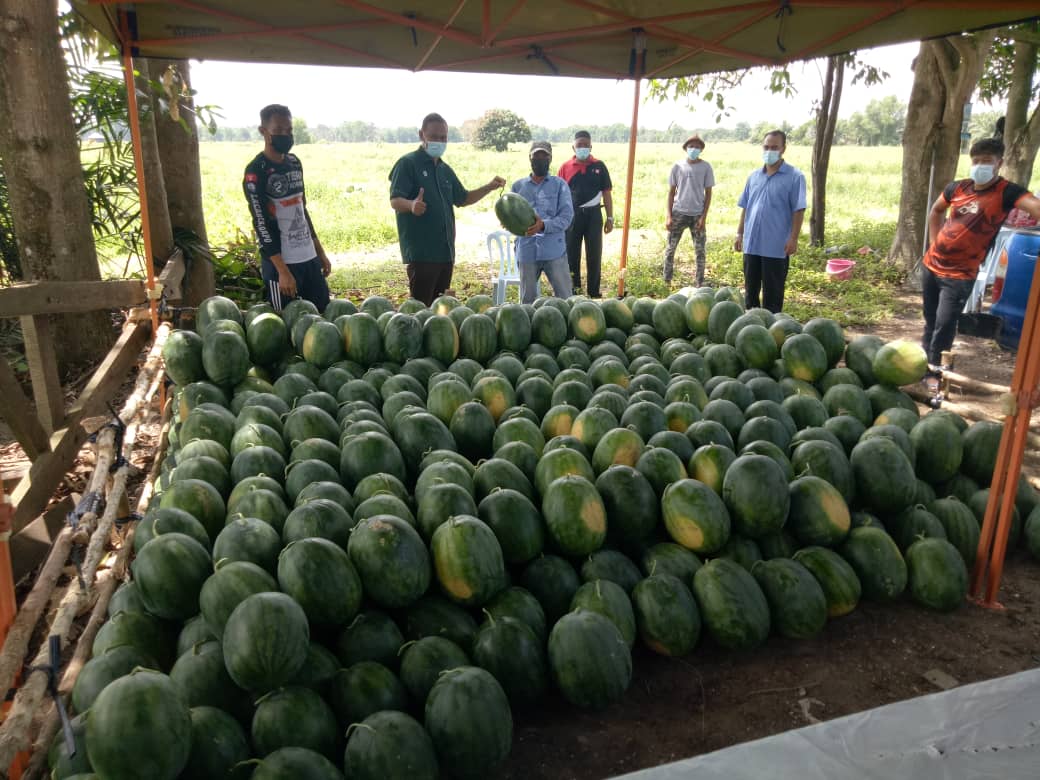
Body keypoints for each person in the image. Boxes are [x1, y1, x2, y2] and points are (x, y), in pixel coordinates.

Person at [921, 137, 1040, 368]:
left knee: (944, 325)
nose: (980, 166)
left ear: (999, 163)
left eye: (986, 161)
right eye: (976, 161)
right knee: (930, 320)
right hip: (932, 266)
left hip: (959, 275)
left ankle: (936, 371)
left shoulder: (1007, 192)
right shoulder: (957, 187)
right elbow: (936, 211)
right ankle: (924, 364)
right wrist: (934, 243)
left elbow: (1035, 207)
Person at [389, 113, 505, 305]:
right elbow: (394, 200)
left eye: (443, 138)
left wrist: (489, 187)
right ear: (421, 135)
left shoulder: (444, 170)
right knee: (421, 309)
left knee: (440, 310)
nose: (439, 142)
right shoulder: (408, 164)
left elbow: (463, 198)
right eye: (434, 137)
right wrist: (411, 205)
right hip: (422, 253)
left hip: (445, 253)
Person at [243, 103, 331, 312]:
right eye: (279, 130)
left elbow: (303, 211)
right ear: (264, 132)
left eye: (289, 130)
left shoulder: (294, 163)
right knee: (287, 324)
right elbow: (261, 224)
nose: (286, 135)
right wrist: (282, 271)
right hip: (282, 264)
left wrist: (320, 252)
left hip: (308, 258)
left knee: (324, 316)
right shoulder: (256, 172)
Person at [734, 130, 806, 313]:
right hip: (752, 244)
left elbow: (799, 209)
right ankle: (751, 328)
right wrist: (740, 233)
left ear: (783, 149)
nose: (770, 150)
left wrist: (793, 238)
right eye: (767, 147)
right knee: (750, 294)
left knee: (773, 295)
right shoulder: (754, 176)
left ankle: (772, 332)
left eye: (775, 147)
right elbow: (746, 206)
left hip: (776, 247)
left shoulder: (794, 177)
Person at [511, 141, 574, 304]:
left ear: (550, 159)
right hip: (527, 251)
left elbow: (567, 217)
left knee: (565, 299)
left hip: (554, 251)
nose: (540, 159)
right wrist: (510, 223)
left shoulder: (560, 185)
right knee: (527, 302)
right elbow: (511, 216)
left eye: (544, 156)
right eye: (536, 156)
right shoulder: (518, 187)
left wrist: (543, 225)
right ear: (530, 159)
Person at [558, 130, 614, 297]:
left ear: (591, 146)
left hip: (594, 216)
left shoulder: (599, 166)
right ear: (573, 147)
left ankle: (594, 293)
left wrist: (610, 218)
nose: (582, 147)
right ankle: (574, 292)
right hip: (572, 217)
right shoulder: (565, 167)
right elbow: (558, 194)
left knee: (594, 255)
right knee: (571, 256)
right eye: (579, 145)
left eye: (585, 145)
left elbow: (607, 193)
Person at [664, 134, 715, 286]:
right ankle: (667, 280)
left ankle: (699, 282)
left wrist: (703, 217)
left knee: (700, 250)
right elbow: (671, 192)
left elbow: (709, 193)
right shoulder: (678, 166)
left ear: (701, 149)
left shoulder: (706, 167)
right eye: (691, 146)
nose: (694, 149)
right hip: (679, 212)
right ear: (686, 148)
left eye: (697, 147)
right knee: (670, 248)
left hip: (697, 214)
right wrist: (668, 215)